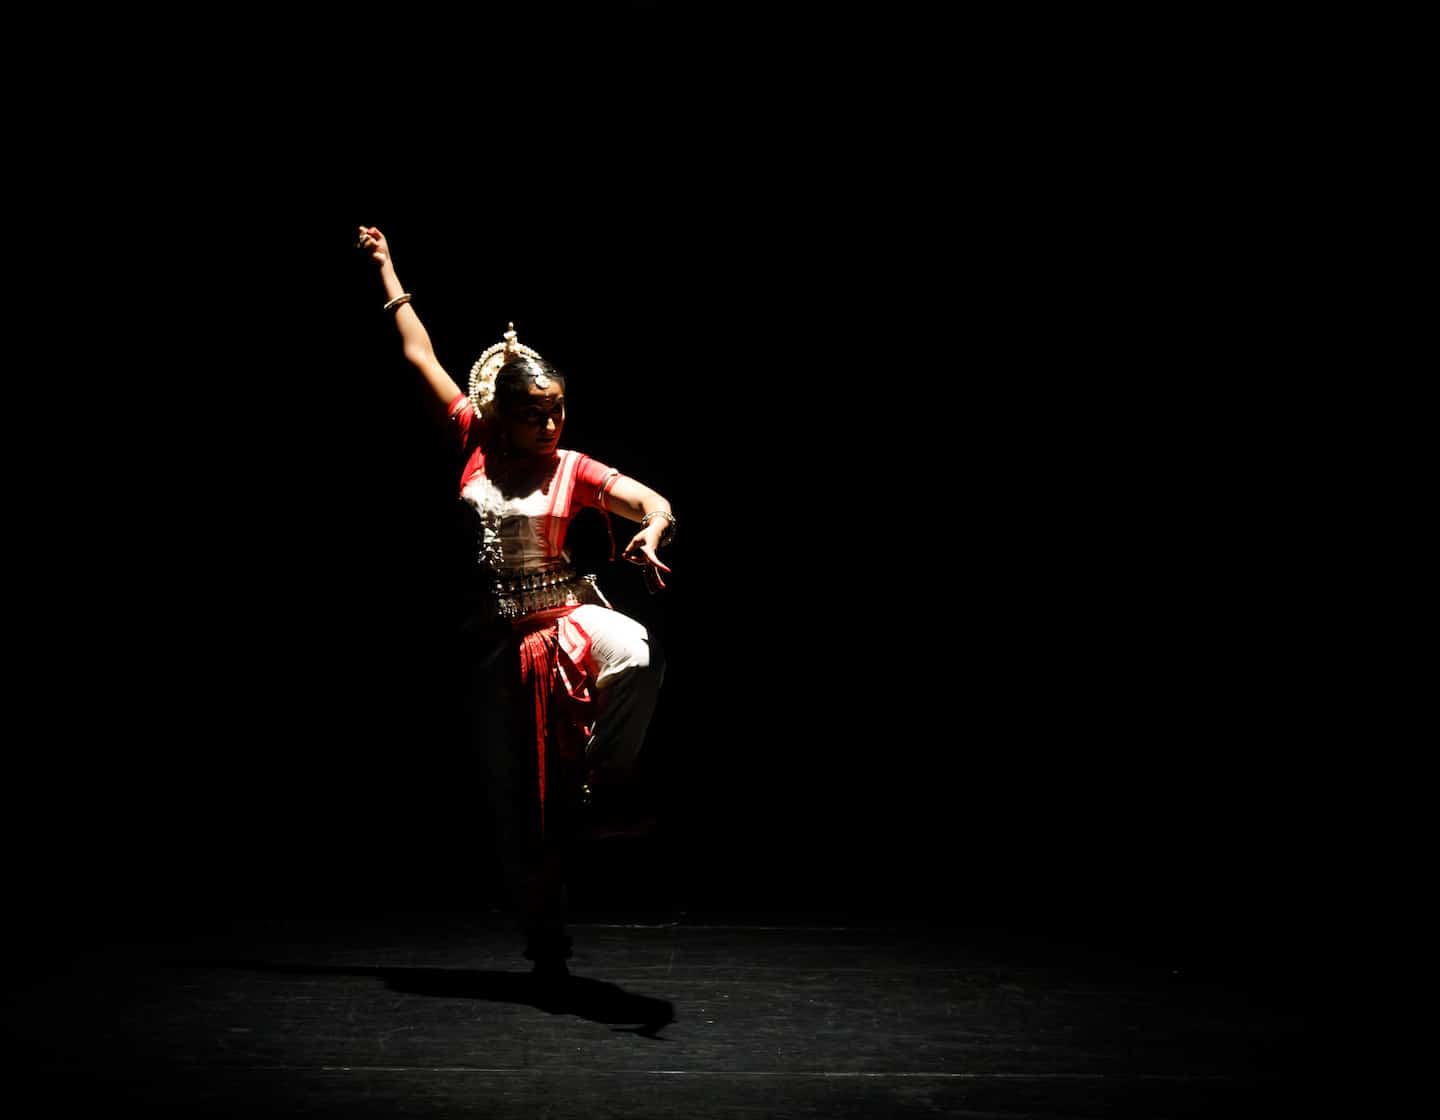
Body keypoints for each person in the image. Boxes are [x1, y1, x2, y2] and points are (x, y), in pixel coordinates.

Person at [354, 225, 674, 980]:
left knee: (634, 650)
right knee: (520, 801)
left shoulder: (572, 466)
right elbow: (418, 357)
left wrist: (654, 527)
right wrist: (387, 271)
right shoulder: (471, 436)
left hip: (564, 620)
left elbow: (647, 497)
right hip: (497, 645)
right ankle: (546, 934)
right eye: (535, 412)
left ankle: (606, 786)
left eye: (558, 409)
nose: (550, 423)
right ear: (500, 413)